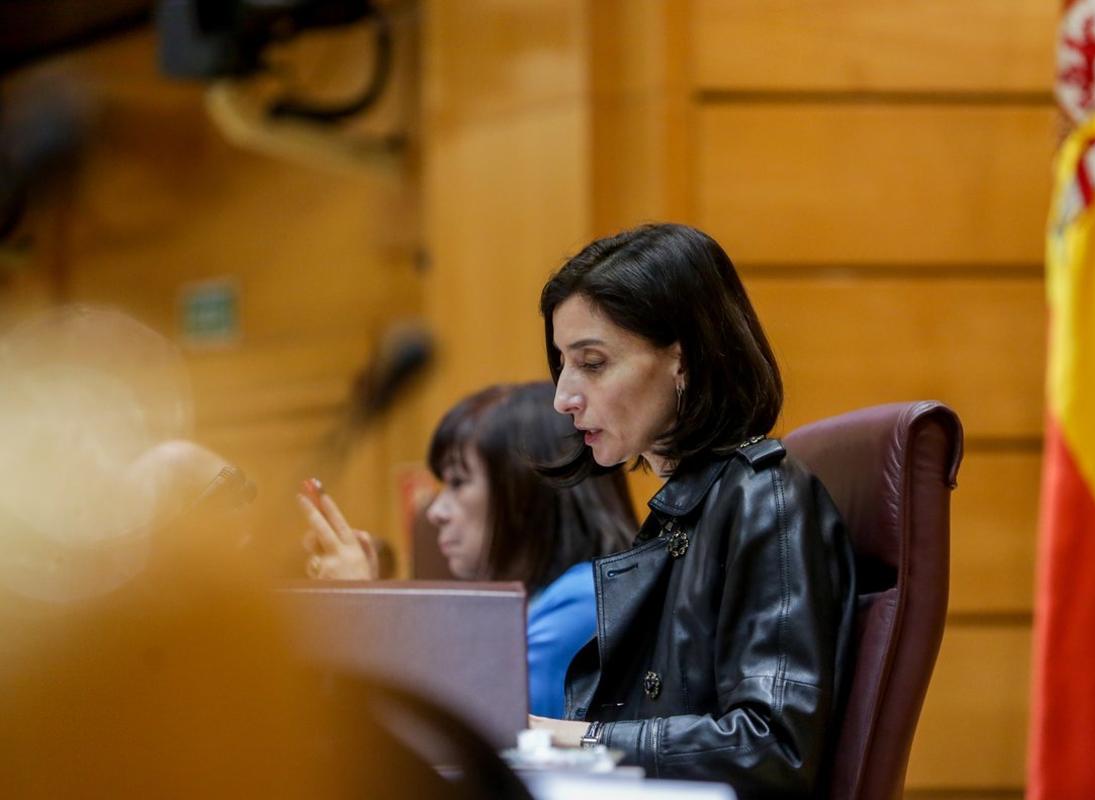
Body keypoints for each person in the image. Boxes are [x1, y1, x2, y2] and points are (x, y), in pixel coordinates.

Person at [528, 223, 857, 798]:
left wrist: (573, 740)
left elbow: (772, 743)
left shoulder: (766, 496)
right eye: (564, 362)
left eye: (595, 362)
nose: (563, 397)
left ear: (683, 359)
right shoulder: (688, 510)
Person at [299, 381, 637, 718]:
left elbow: (471, 728)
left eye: (458, 482)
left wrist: (359, 609)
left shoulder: (587, 599)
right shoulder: (545, 598)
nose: (435, 512)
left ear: (526, 492)